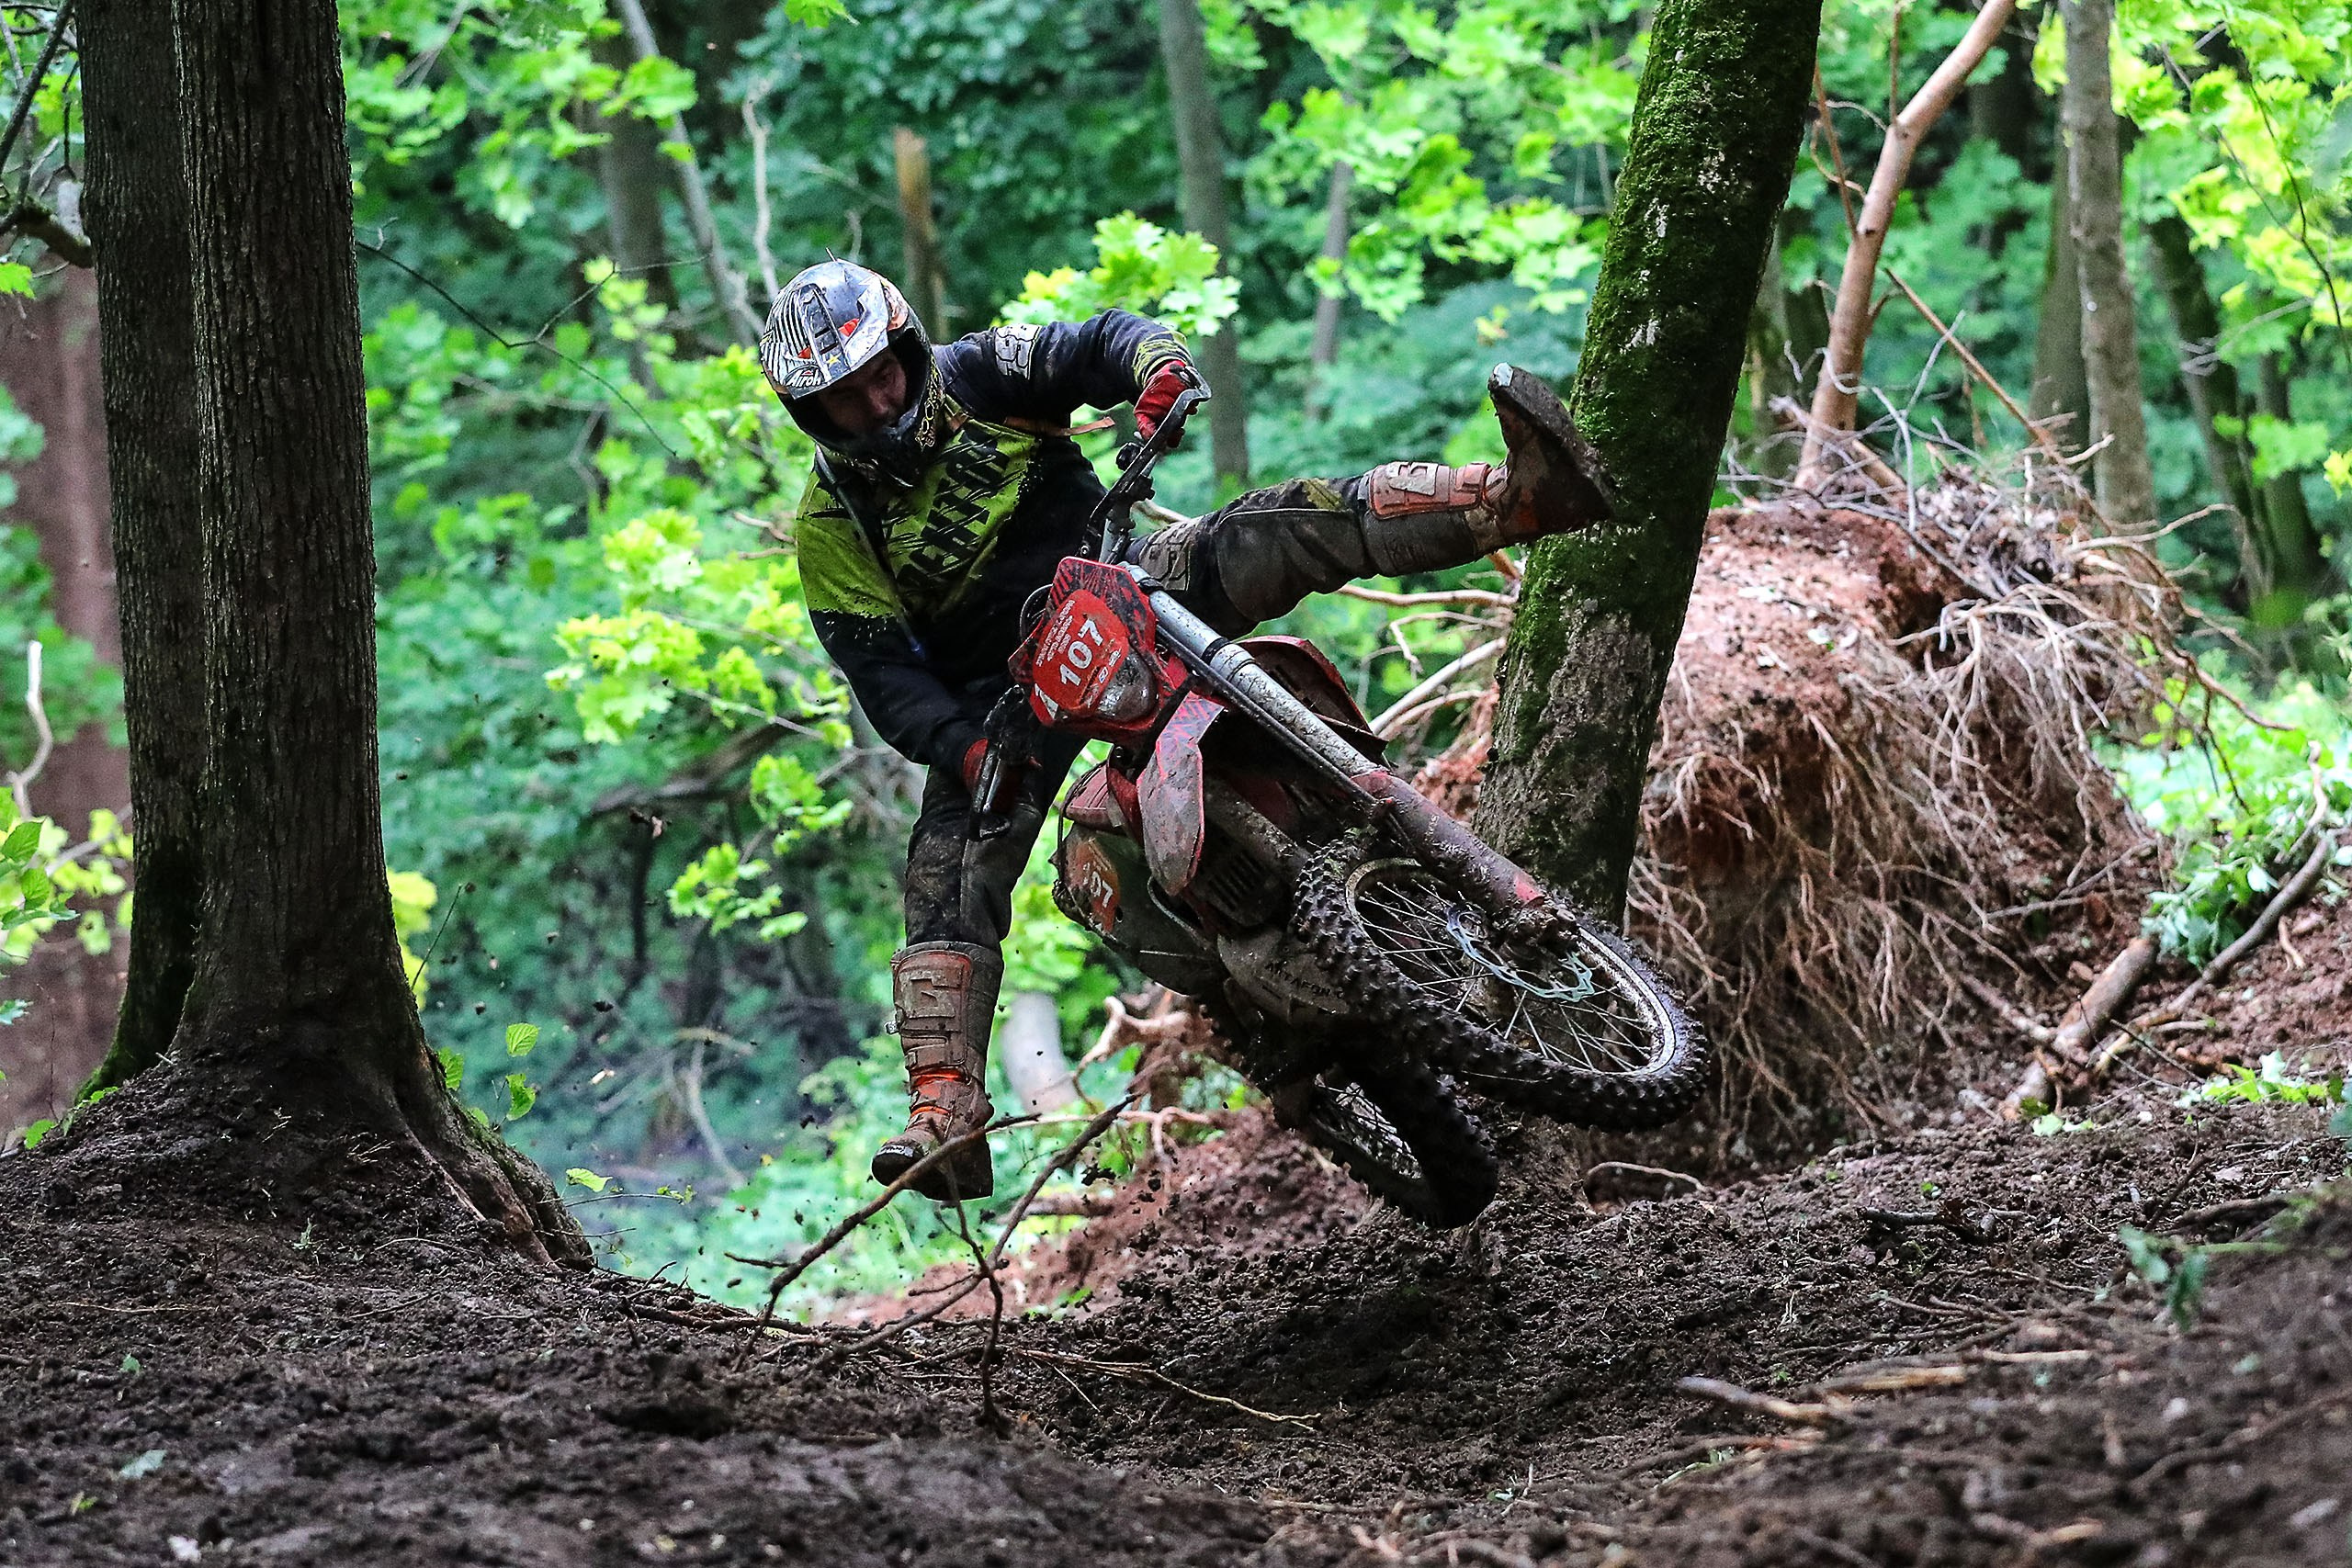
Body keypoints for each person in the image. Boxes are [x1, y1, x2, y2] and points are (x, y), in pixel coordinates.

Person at [759, 258, 1609, 1202]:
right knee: (947, 870)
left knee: (1280, 522)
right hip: (1005, 699)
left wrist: (1154, 365)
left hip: (1119, 577)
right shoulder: (830, 525)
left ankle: (1518, 498)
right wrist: (961, 748)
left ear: (910, 348)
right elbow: (879, 672)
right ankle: (945, 1111)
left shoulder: (978, 373)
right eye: (843, 399)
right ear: (813, 415)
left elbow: (1091, 343)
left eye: (882, 373)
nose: (875, 404)